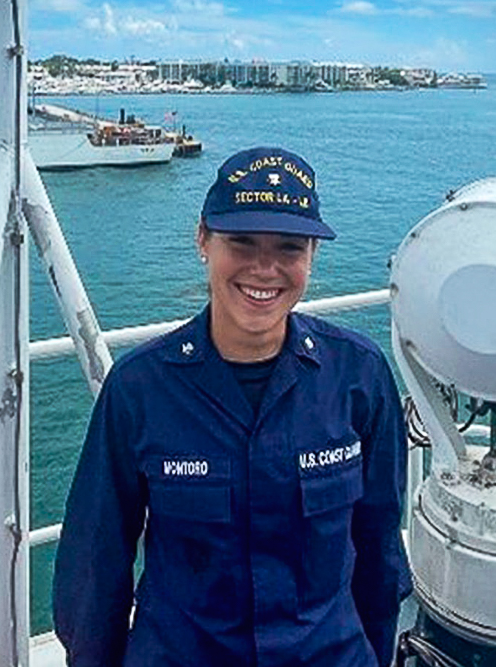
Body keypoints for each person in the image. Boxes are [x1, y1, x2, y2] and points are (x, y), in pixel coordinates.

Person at [53, 146, 412, 666]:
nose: (264, 268)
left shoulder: (358, 376)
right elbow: (94, 567)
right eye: (241, 241)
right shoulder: (139, 390)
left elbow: (380, 554)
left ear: (312, 255)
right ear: (202, 240)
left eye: (289, 247)